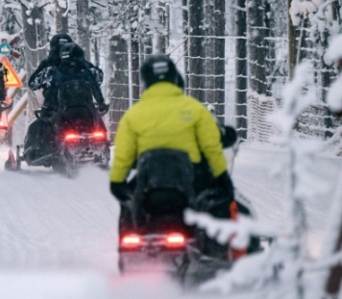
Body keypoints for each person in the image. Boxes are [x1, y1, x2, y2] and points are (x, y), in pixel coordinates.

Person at [109, 54, 234, 234]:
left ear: (146, 79)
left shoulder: (133, 115)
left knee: (128, 205)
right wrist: (222, 177)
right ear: (174, 77)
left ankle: (131, 243)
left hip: (149, 183)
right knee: (218, 200)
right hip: (191, 180)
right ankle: (219, 246)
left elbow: (123, 156)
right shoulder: (194, 109)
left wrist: (117, 182)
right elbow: (212, 147)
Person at [24, 43, 108, 162]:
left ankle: (58, 151)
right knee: (95, 125)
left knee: (58, 128)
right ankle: (96, 148)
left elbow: (53, 89)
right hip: (86, 107)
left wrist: (48, 107)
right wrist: (100, 102)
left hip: (67, 109)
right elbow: (95, 86)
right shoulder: (85, 69)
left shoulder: (60, 71)